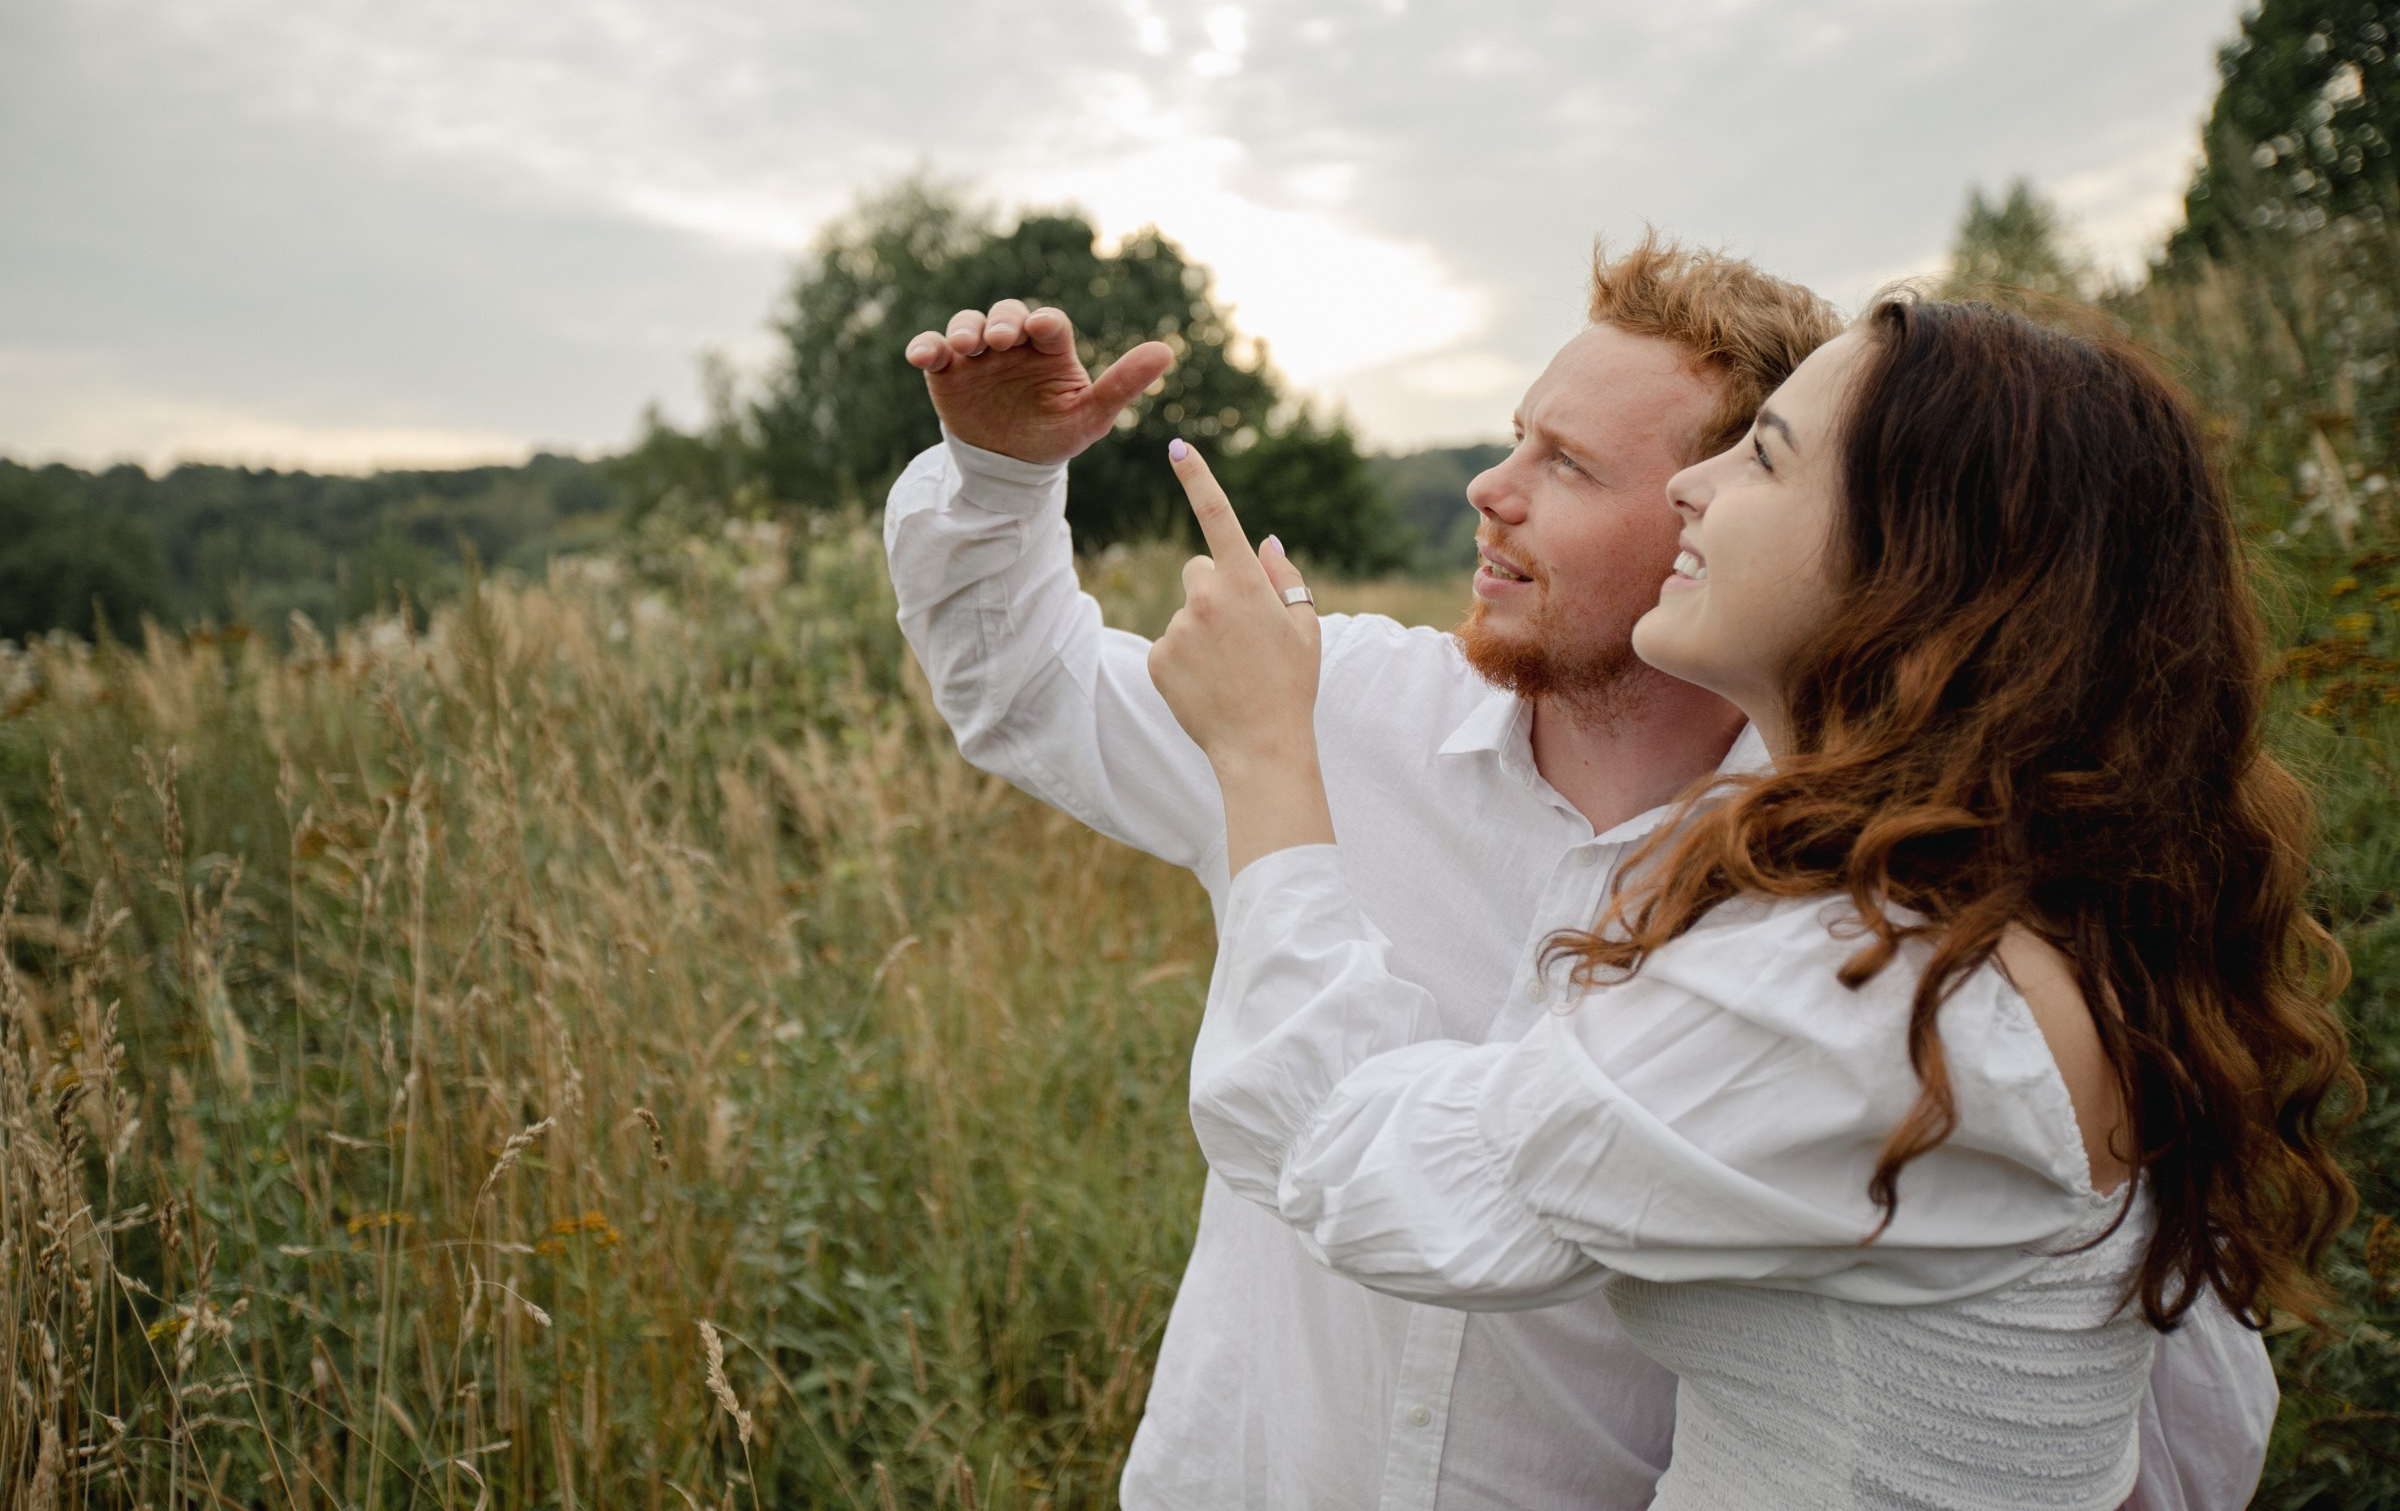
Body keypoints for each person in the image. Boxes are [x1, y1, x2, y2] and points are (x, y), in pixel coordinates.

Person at [883, 243, 2286, 1510]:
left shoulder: (1843, 938)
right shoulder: (1343, 699)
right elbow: (1026, 689)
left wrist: (1264, 759)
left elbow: (2166, 1386)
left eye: (1568, 464)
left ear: (1879, 559)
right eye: (1511, 440)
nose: (1491, 492)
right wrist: (1003, 482)